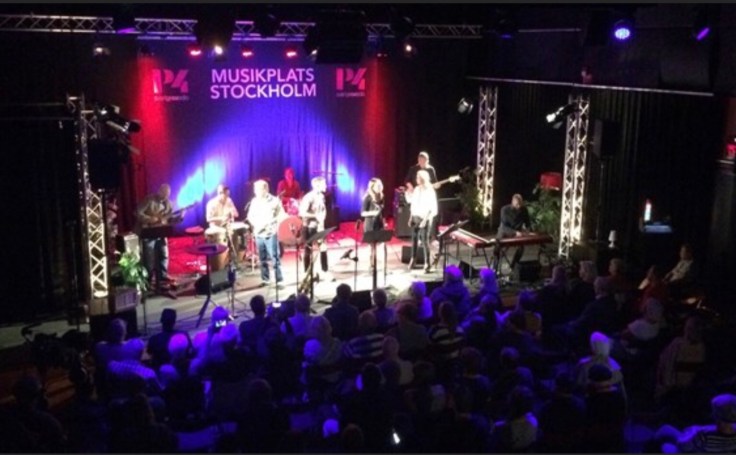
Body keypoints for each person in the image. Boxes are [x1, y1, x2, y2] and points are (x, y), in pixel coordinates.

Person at [136, 183, 181, 294]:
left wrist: (180, 217)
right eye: (164, 194)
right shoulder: (149, 200)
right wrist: (151, 219)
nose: (165, 197)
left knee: (164, 255)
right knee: (149, 260)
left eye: (167, 195)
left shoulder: (169, 203)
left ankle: (162, 277)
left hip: (161, 233)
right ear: (159, 191)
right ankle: (148, 281)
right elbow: (137, 213)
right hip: (148, 233)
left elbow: (170, 219)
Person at [246, 179, 285, 287]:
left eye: (257, 189)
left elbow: (281, 215)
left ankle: (279, 280)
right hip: (259, 233)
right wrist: (256, 225)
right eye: (255, 189)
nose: (255, 191)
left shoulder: (274, 201)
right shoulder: (254, 201)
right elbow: (250, 216)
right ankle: (265, 279)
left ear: (265, 189)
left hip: (270, 232)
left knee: (274, 257)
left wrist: (273, 223)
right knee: (262, 258)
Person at [405, 169, 437, 272]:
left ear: (423, 178)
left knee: (424, 241)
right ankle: (413, 259)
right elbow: (413, 203)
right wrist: (411, 217)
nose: (416, 179)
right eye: (417, 177)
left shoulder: (430, 190)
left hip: (425, 218)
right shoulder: (417, 189)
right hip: (416, 217)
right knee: (414, 239)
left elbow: (432, 207)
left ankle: (427, 263)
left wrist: (425, 220)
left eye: (418, 177)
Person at [299, 176, 330, 279]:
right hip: (309, 227)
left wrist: (322, 218)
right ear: (317, 185)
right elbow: (302, 212)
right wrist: (315, 216)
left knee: (323, 247)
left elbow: (322, 210)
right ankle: (307, 272)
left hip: (319, 226)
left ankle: (325, 271)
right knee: (308, 250)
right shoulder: (309, 197)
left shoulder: (321, 196)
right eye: (324, 184)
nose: (326, 186)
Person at [493, 193, 532, 272]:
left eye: (520, 204)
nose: (519, 206)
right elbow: (504, 226)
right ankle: (495, 267)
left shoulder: (524, 210)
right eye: (517, 204)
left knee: (521, 248)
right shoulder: (504, 209)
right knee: (497, 246)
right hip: (505, 231)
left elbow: (528, 223)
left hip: (517, 233)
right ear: (513, 202)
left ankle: (513, 266)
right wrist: (514, 232)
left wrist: (528, 230)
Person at [361, 177, 385, 271]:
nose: (380, 187)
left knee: (382, 245)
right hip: (370, 224)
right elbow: (362, 213)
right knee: (371, 247)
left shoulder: (381, 196)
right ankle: (371, 265)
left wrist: (384, 221)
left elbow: (382, 210)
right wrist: (373, 213)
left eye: (380, 185)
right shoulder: (367, 197)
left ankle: (383, 266)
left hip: (379, 223)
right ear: (372, 187)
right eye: (378, 186)